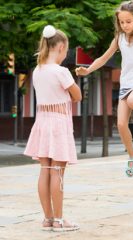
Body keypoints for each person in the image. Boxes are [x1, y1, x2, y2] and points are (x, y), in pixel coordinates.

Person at [75, 0, 133, 177]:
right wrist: (87, 70)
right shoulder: (119, 39)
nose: (125, 25)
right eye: (121, 22)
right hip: (126, 84)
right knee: (120, 124)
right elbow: (103, 59)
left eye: (128, 21)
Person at [24, 25, 81, 231]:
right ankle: (58, 220)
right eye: (66, 50)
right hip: (58, 124)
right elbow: (78, 96)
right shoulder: (62, 71)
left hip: (42, 123)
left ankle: (47, 218)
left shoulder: (37, 71)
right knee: (58, 171)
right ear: (61, 47)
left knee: (45, 170)